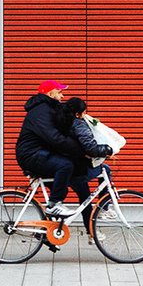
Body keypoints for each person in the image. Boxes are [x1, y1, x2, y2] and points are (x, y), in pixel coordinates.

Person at [14, 79, 91, 219]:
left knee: (62, 187)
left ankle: (47, 233)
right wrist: (82, 151)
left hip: (40, 153)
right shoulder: (40, 112)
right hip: (31, 155)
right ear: (50, 93)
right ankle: (54, 205)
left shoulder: (49, 108)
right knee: (66, 166)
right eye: (59, 92)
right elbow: (56, 138)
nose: (62, 96)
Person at [54, 96, 113, 233]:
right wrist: (107, 150)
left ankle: (91, 232)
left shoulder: (62, 122)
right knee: (106, 169)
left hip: (65, 166)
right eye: (84, 112)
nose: (86, 115)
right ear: (77, 114)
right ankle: (104, 208)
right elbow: (90, 148)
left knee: (86, 198)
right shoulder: (78, 124)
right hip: (76, 169)